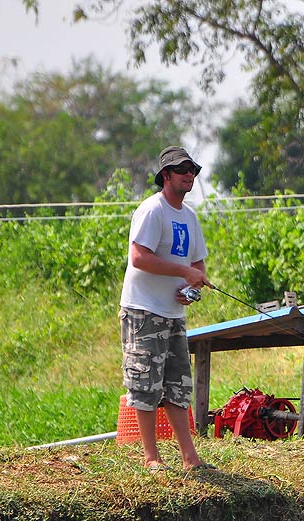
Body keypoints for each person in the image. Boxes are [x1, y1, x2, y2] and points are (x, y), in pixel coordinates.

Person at [119, 146, 215, 472]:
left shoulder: (189, 217)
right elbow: (139, 258)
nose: (190, 174)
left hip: (173, 314)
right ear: (166, 176)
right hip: (143, 311)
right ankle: (151, 458)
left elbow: (197, 263)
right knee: (145, 385)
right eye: (183, 169)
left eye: (193, 170)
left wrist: (190, 289)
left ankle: (190, 459)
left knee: (177, 387)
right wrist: (183, 272)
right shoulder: (152, 211)